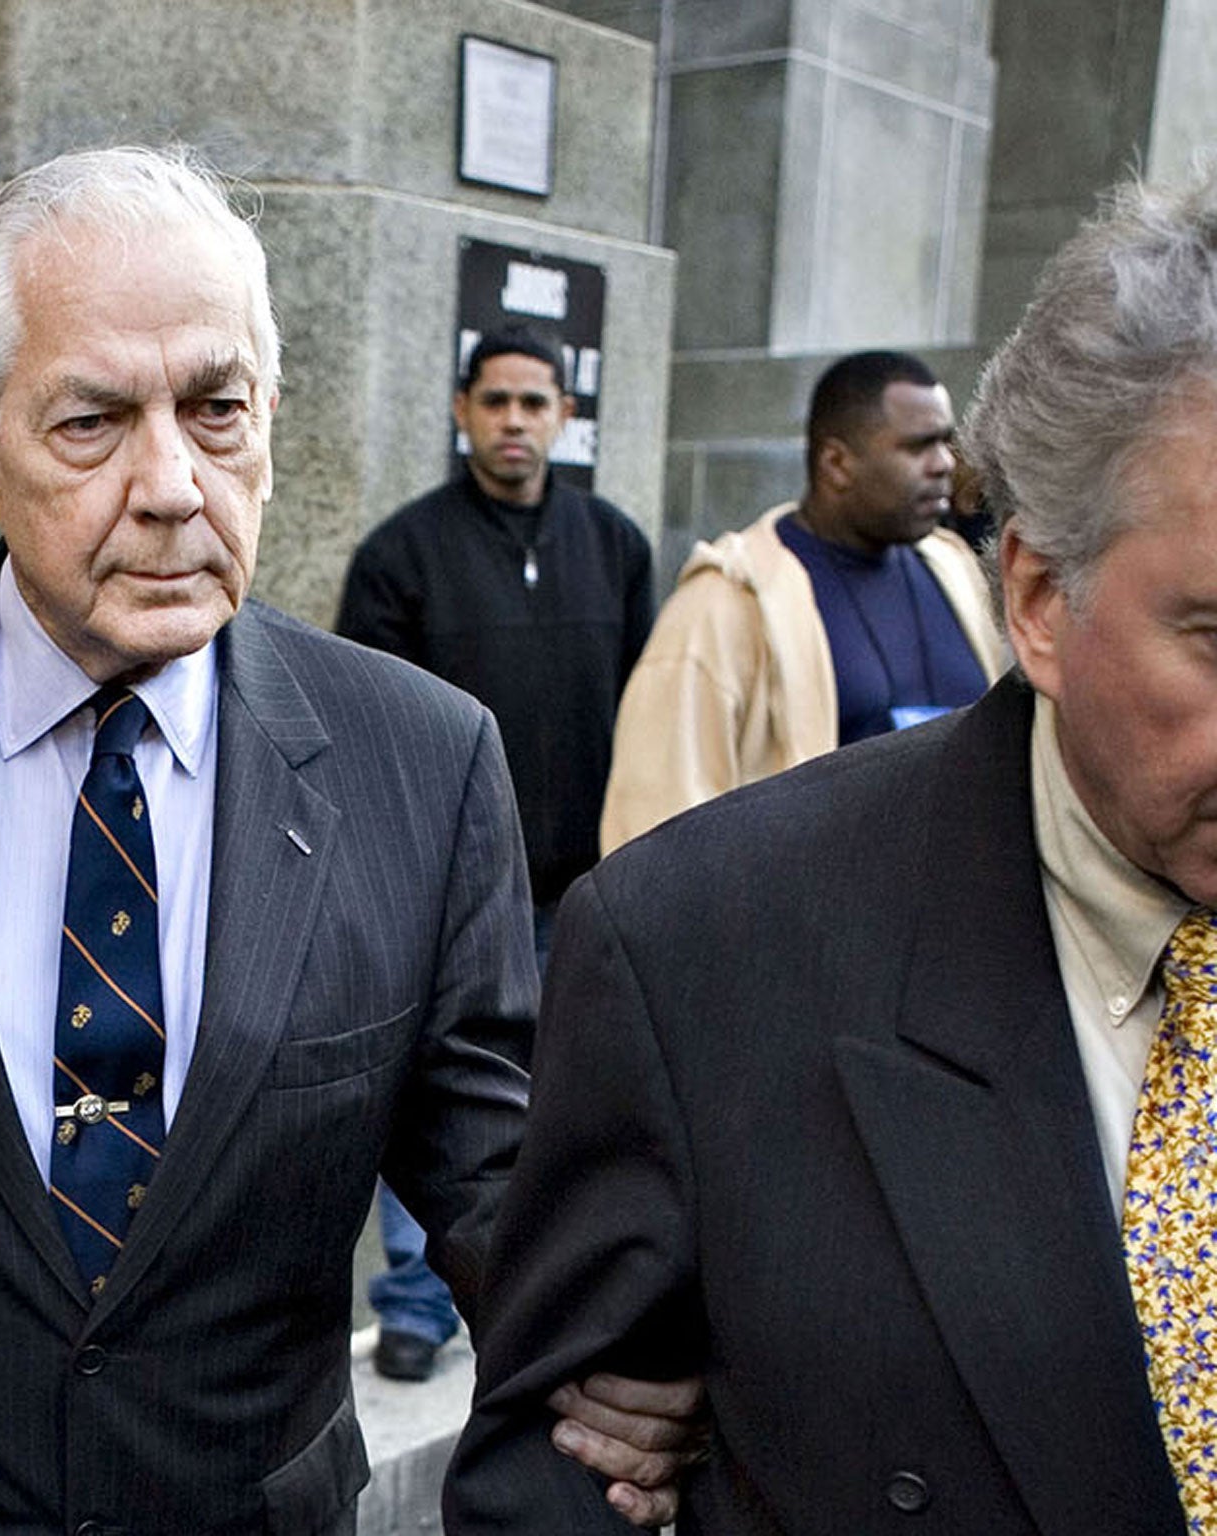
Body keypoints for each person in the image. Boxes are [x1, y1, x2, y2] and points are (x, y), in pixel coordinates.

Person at [0, 145, 697, 1536]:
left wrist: (635, 1353)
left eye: (215, 410)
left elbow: (490, 1168)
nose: (172, 485)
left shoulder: (421, 758)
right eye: (94, 423)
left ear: (270, 422)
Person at [446, 171, 1217, 1533]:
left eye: (944, 450)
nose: (933, 470)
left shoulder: (934, 582)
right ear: (1041, 599)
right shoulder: (701, 949)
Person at [336, 325, 652, 1383]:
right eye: (496, 401)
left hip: (577, 889)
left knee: (564, 1103)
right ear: (463, 410)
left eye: (535, 402)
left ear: (565, 416)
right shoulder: (401, 553)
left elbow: (640, 714)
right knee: (434, 1099)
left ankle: (550, 1291)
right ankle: (418, 1302)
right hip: (449, 894)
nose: (515, 422)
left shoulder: (612, 543)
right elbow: (367, 733)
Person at [599, 349, 1003, 852]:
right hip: (811, 919)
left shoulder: (959, 570)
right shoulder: (729, 597)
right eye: (918, 446)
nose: (944, 463)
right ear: (836, 462)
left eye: (946, 441)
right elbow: (656, 823)